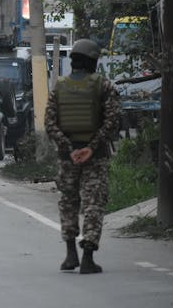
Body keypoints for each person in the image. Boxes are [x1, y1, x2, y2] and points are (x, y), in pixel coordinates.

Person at [44, 38, 121, 274]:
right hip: (95, 156)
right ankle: (88, 258)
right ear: (93, 62)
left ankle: (70, 256)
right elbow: (113, 120)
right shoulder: (104, 86)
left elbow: (49, 123)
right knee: (93, 204)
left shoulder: (59, 86)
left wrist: (69, 148)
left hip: (68, 157)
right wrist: (91, 146)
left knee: (68, 202)